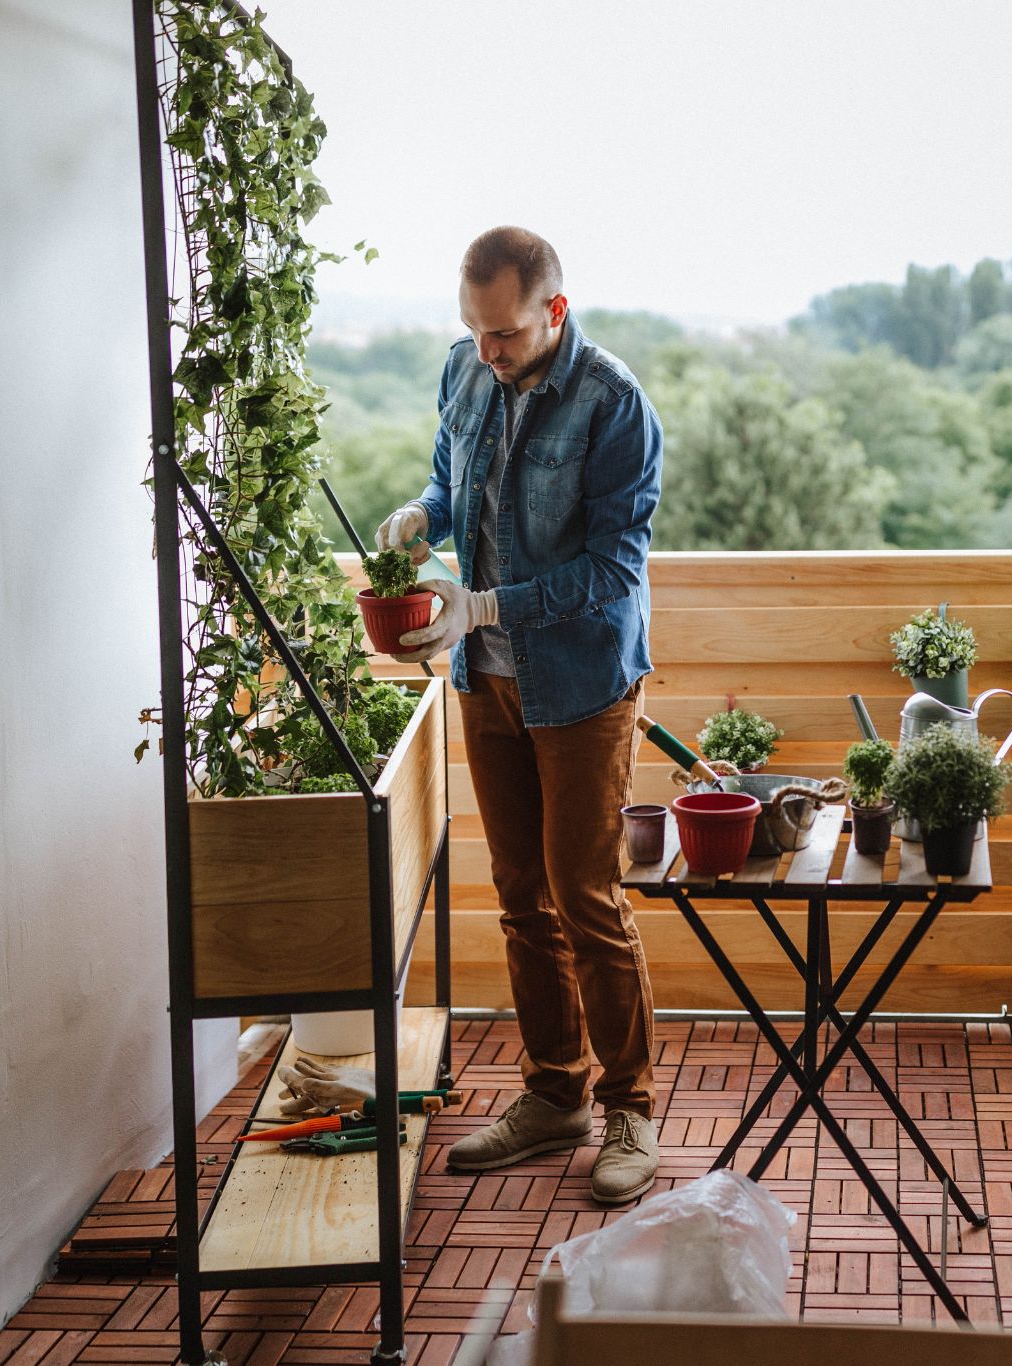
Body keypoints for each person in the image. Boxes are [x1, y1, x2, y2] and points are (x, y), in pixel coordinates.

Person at [376, 226, 664, 1204]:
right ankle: (554, 1094)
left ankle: (630, 1108)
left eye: (502, 334)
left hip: (580, 681)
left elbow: (612, 570)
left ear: (554, 310)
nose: (486, 352)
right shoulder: (465, 371)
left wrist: (486, 606)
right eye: (473, 330)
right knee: (517, 893)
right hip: (484, 678)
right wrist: (420, 517)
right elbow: (455, 492)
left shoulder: (613, 404)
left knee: (584, 893)